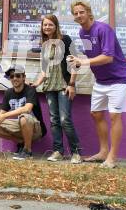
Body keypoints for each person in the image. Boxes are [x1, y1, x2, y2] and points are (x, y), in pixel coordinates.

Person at [70, 0, 126, 168]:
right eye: (75, 13)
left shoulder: (103, 29)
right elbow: (90, 55)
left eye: (81, 12)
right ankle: (103, 151)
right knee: (96, 114)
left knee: (114, 116)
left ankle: (112, 157)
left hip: (118, 78)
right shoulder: (82, 33)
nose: (79, 15)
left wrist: (84, 62)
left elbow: (107, 57)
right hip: (101, 81)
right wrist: (78, 61)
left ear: (89, 12)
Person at [31, 14, 82, 164]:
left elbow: (75, 63)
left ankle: (76, 152)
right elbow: (44, 70)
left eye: (50, 24)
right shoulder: (45, 44)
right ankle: (58, 151)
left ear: (56, 26)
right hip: (50, 87)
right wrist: (36, 84)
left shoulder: (65, 40)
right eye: (44, 25)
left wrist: (71, 84)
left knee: (65, 119)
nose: (47, 27)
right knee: (54, 120)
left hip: (64, 86)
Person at [0, 64, 47, 160]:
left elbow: (27, 109)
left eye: (18, 76)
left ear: (24, 77)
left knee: (24, 117)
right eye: (12, 76)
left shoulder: (30, 90)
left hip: (37, 129)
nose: (14, 78)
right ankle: (22, 142)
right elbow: (2, 112)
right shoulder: (8, 92)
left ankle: (27, 151)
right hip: (21, 125)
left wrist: (4, 116)